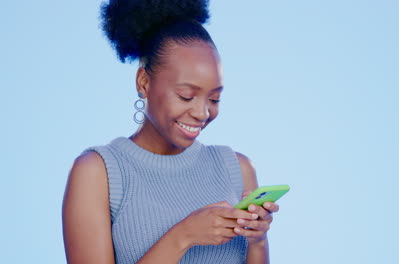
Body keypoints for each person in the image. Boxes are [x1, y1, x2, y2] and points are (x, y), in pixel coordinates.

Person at [62, 0, 280, 263]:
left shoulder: (238, 168)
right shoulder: (99, 172)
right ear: (143, 82)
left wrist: (257, 240)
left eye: (214, 99)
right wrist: (184, 235)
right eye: (186, 96)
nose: (202, 113)